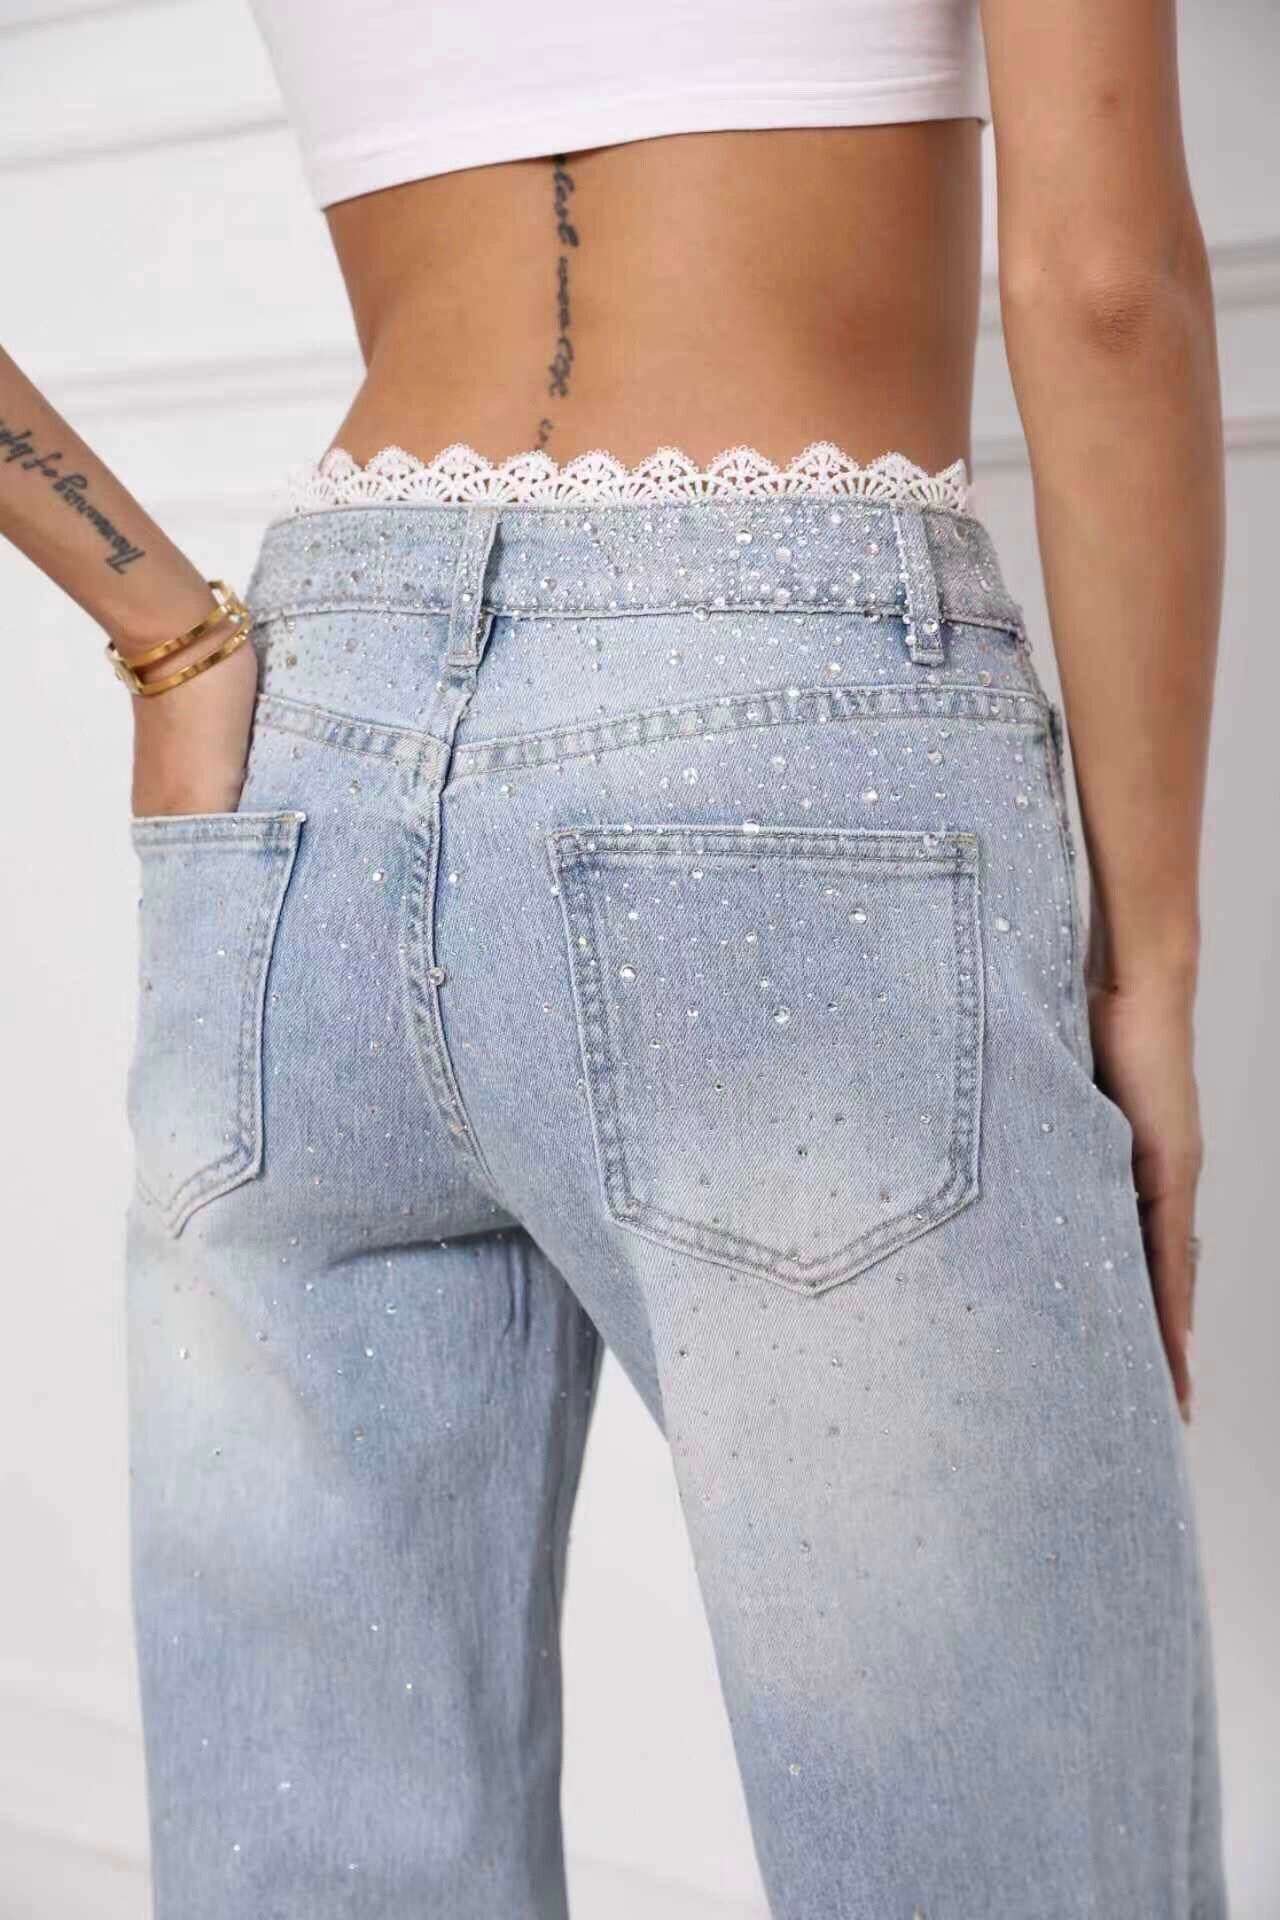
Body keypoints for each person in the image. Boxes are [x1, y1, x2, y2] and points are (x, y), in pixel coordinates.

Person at [3, 0, 1227, 1913]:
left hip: (310, 747)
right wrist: (1148, 967)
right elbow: (1102, 286)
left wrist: (159, 627)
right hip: (779, 725)